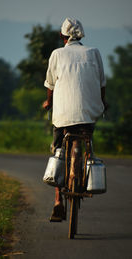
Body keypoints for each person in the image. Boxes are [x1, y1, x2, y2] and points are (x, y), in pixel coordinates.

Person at [42, 18, 107, 222]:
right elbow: (101, 85)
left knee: (59, 150)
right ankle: (88, 161)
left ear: (62, 37)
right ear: (82, 36)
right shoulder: (94, 52)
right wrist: (102, 103)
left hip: (62, 117)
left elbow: (50, 86)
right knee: (88, 143)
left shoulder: (57, 54)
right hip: (88, 115)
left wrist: (48, 102)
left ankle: (57, 201)